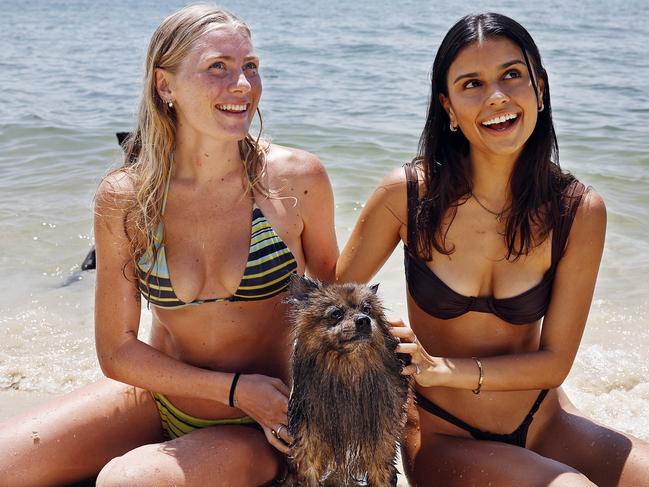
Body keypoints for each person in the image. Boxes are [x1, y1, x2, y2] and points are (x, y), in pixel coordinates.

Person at [0, 5, 338, 486]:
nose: (242, 84)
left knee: (128, 481)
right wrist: (234, 389)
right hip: (162, 397)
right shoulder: (127, 196)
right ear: (166, 86)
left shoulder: (295, 179)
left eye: (250, 66)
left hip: (262, 423)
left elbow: (340, 300)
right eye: (217, 67)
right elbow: (117, 351)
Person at [336, 12, 649, 487]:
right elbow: (326, 310)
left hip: (546, 422)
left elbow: (554, 362)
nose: (497, 97)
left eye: (511, 75)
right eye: (472, 84)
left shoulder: (577, 210)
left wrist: (443, 368)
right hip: (447, 438)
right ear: (448, 107)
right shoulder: (407, 196)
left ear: (539, 88)